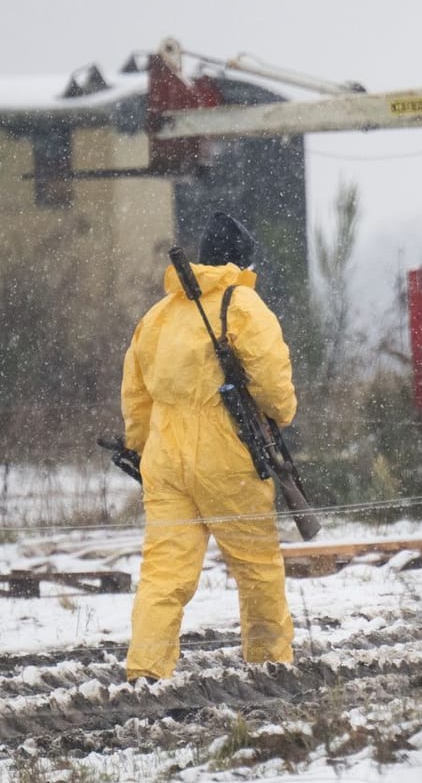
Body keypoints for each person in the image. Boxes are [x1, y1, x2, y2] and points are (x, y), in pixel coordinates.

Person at [122, 212, 297, 682]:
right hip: (227, 456)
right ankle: (269, 665)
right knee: (256, 566)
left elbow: (136, 397)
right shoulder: (243, 306)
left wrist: (141, 449)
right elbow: (274, 388)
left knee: (164, 572)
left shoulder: (157, 316)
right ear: (241, 260)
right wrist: (280, 415)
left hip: (164, 459)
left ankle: (146, 671)